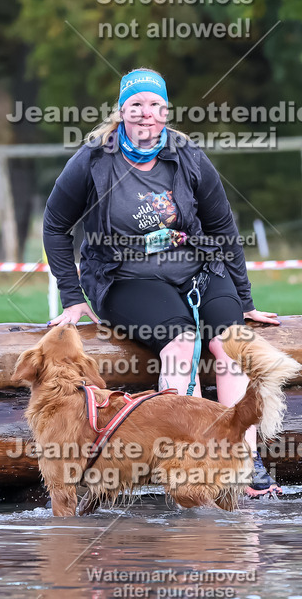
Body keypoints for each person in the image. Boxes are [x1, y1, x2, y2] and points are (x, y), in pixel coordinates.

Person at [42, 67, 282, 497]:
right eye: (136, 105)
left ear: (166, 112)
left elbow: (223, 227)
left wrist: (244, 299)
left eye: (155, 105)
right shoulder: (95, 157)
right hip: (124, 277)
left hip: (197, 270)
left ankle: (243, 461)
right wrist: (72, 296)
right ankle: (174, 453)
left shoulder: (187, 154)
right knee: (179, 340)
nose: (146, 115)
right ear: (121, 111)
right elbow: (55, 225)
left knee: (231, 342)